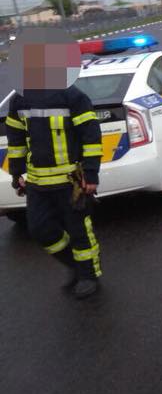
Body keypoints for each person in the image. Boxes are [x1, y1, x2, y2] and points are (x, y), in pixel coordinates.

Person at [5, 40, 103, 299]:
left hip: (70, 182)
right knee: (40, 230)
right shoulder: (19, 100)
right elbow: (15, 142)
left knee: (80, 232)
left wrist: (91, 175)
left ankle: (88, 275)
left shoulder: (73, 97)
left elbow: (91, 137)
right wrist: (17, 175)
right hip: (38, 185)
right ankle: (74, 265)